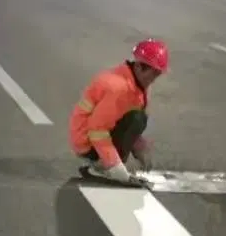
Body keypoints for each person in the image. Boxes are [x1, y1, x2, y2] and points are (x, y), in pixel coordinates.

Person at [69, 39, 169, 183]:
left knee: (139, 118)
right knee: (137, 118)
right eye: (153, 74)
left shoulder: (136, 82)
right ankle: (101, 166)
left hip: (91, 135)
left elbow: (123, 116)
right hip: (86, 141)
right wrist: (116, 169)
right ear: (140, 67)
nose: (154, 79)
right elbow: (97, 130)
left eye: (158, 75)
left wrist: (138, 146)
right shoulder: (119, 88)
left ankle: (105, 162)